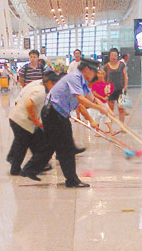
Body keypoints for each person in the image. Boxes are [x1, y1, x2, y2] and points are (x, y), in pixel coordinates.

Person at [21, 58, 110, 188]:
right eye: (94, 71)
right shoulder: (75, 78)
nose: (95, 75)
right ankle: (71, 180)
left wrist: (107, 111)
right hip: (53, 113)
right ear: (86, 70)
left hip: (57, 114)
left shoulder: (82, 81)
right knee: (66, 148)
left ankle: (29, 169)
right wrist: (99, 109)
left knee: (53, 146)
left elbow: (92, 99)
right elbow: (81, 100)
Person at [8, 71, 59, 176]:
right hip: (20, 120)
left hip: (21, 120)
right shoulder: (40, 91)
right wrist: (35, 119)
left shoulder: (41, 88)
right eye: (54, 84)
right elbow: (29, 104)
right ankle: (15, 169)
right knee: (22, 145)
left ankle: (38, 165)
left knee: (36, 142)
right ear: (49, 82)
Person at [103, 48, 128, 124]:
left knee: (121, 108)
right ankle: (111, 128)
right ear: (109, 56)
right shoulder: (106, 66)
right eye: (112, 55)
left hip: (121, 90)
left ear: (117, 56)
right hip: (110, 90)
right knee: (110, 109)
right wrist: (105, 88)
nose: (113, 57)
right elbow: (103, 78)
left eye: (115, 55)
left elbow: (125, 76)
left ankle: (122, 126)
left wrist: (125, 86)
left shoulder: (121, 65)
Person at [91, 69, 114, 133]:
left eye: (102, 74)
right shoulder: (95, 83)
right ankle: (97, 130)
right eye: (99, 73)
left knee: (107, 115)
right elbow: (94, 93)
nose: (100, 75)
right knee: (97, 117)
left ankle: (111, 130)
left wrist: (107, 97)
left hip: (104, 103)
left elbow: (109, 91)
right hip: (97, 103)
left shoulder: (106, 84)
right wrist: (102, 97)